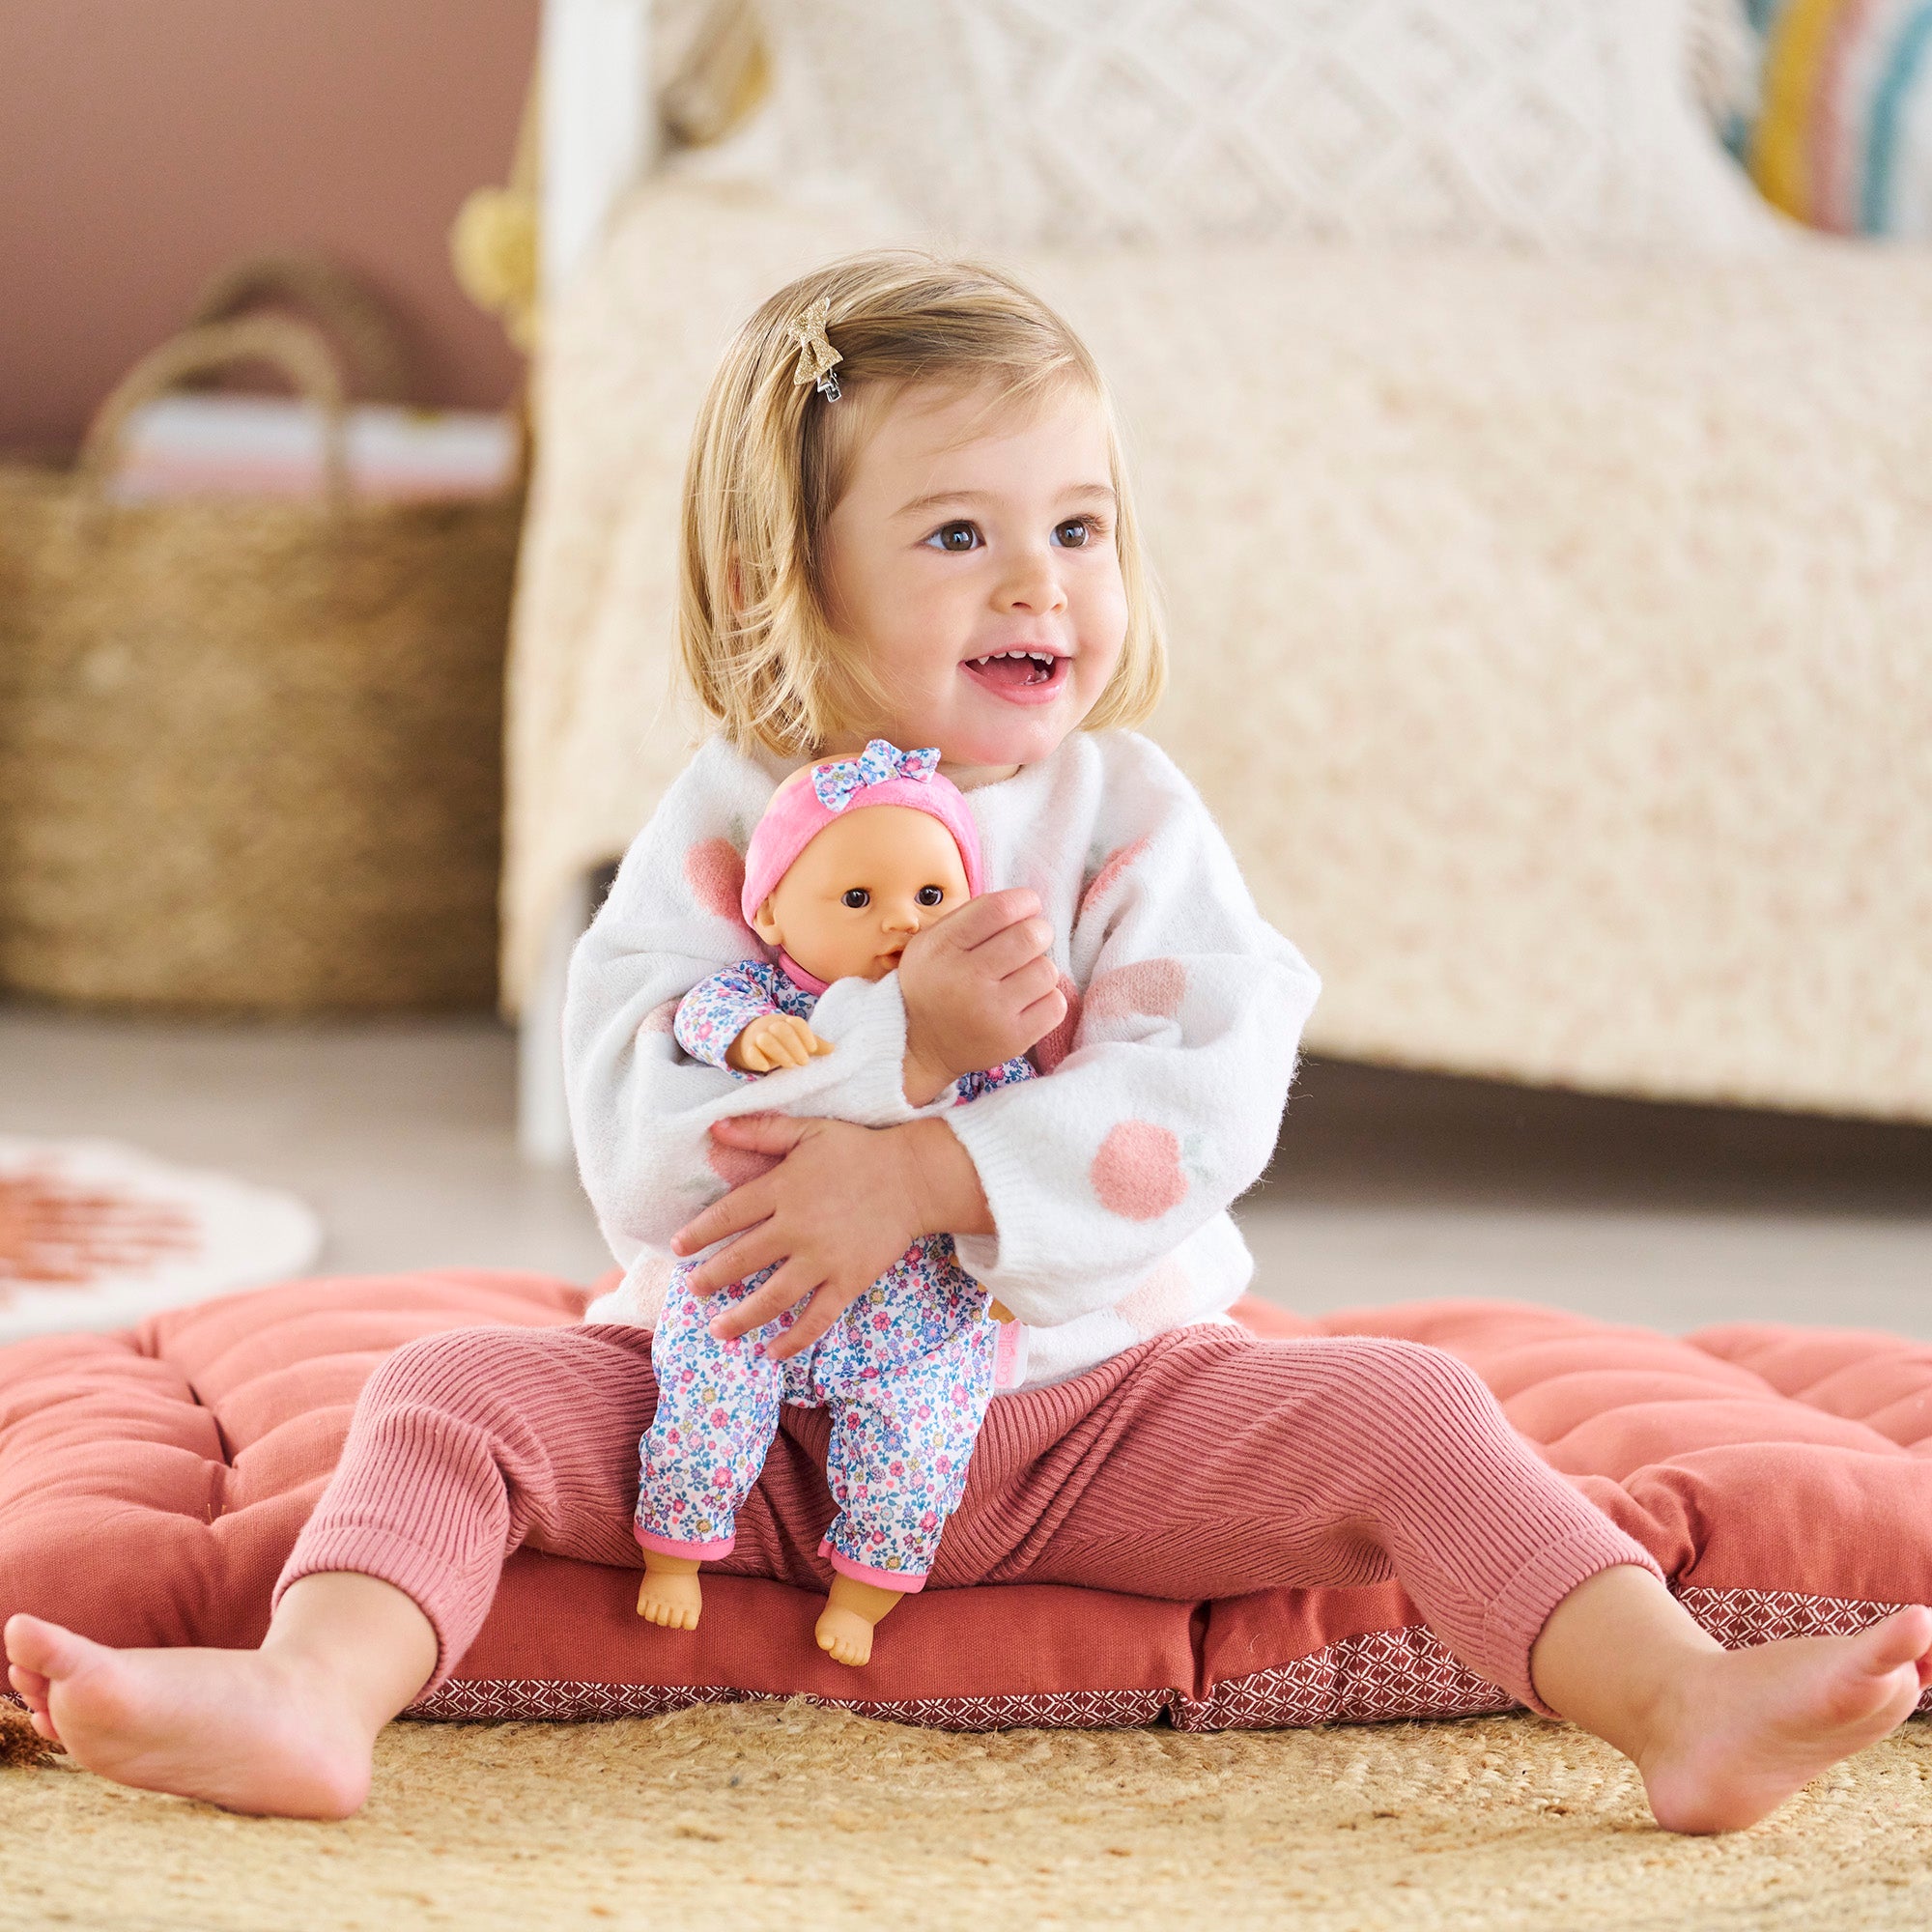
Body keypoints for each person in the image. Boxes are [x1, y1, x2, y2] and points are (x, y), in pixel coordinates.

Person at [9, 252, 1929, 1828]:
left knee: (1404, 1410)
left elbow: (1204, 1082)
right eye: (955, 531)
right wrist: (882, 1059)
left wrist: (935, 1169)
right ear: (787, 581)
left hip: (1089, 1411)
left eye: (1077, 526)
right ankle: (309, 1697)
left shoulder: (1130, 817)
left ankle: (1677, 1700)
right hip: (738, 1421)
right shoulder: (709, 825)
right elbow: (638, 1135)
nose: (1040, 585)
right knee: (445, 1388)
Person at [636, 740, 1033, 1663]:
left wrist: (1013, 1261)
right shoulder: (767, 997)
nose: (900, 921)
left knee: (925, 1439)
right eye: (859, 899)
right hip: (759, 1280)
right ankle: (675, 1553)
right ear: (770, 911)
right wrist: (747, 1038)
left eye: (932, 899)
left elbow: (1017, 1144)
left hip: (918, 1309)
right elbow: (700, 1016)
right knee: (703, 1393)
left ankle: (862, 1594)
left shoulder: (972, 1026)